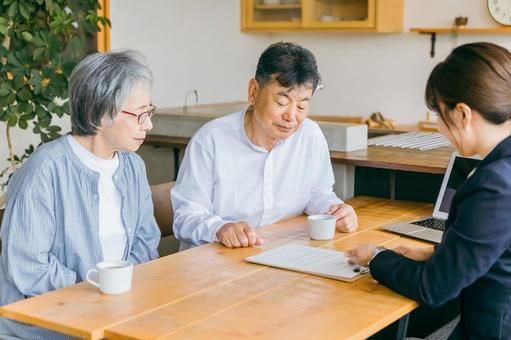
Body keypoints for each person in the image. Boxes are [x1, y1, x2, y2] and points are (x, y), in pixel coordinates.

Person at [347, 42, 511, 339]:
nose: (438, 126)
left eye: (439, 113)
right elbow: (496, 249)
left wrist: (376, 257)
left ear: (463, 113)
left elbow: (435, 288)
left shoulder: (496, 184)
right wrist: (433, 254)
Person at [0, 50, 161, 339]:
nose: (148, 124)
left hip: (116, 316)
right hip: (47, 327)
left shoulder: (133, 166)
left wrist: (121, 292)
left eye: (149, 112)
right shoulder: (44, 171)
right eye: (139, 114)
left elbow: (146, 240)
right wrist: (97, 289)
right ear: (99, 115)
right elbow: (29, 266)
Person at [172, 42, 358, 250]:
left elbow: (317, 194)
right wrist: (220, 228)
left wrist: (334, 211)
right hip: (217, 263)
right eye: (281, 102)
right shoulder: (211, 140)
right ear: (253, 92)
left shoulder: (310, 135)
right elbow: (186, 217)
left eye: (302, 105)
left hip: (282, 253)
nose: (291, 116)